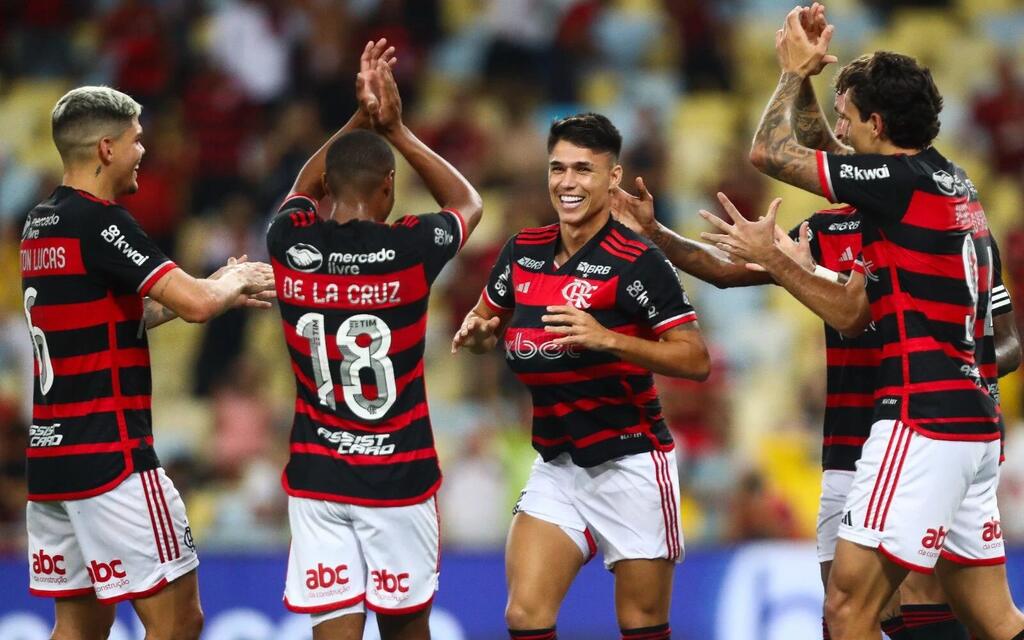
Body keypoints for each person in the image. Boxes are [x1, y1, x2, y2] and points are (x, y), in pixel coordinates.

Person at [698, 7, 1024, 639]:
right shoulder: (947, 182)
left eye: (850, 117)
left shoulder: (897, 186)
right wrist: (819, 80)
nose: (840, 128)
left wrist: (791, 73)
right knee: (995, 619)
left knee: (848, 609)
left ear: (877, 123)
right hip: (973, 426)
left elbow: (769, 150)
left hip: (920, 421)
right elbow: (835, 152)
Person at [22, 86, 274, 639]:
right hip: (112, 459)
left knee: (80, 627)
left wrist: (212, 285)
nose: (145, 152)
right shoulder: (101, 222)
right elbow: (200, 307)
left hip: (53, 465)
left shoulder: (40, 226)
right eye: (138, 141)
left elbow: (113, 317)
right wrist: (235, 279)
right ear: (107, 149)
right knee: (179, 621)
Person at [452, 112, 710, 640]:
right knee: (525, 615)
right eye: (558, 169)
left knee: (640, 625)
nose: (567, 183)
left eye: (583, 170)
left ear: (612, 178)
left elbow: (695, 359)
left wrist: (608, 338)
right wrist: (477, 333)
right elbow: (486, 317)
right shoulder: (523, 251)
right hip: (558, 463)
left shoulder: (638, 262)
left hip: (632, 461)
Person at [266, 40, 483, 640]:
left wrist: (357, 122)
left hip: (317, 476)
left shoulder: (290, 245)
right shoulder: (411, 249)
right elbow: (467, 201)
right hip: (400, 475)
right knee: (407, 630)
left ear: (331, 189)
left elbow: (299, 192)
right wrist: (398, 130)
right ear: (388, 186)